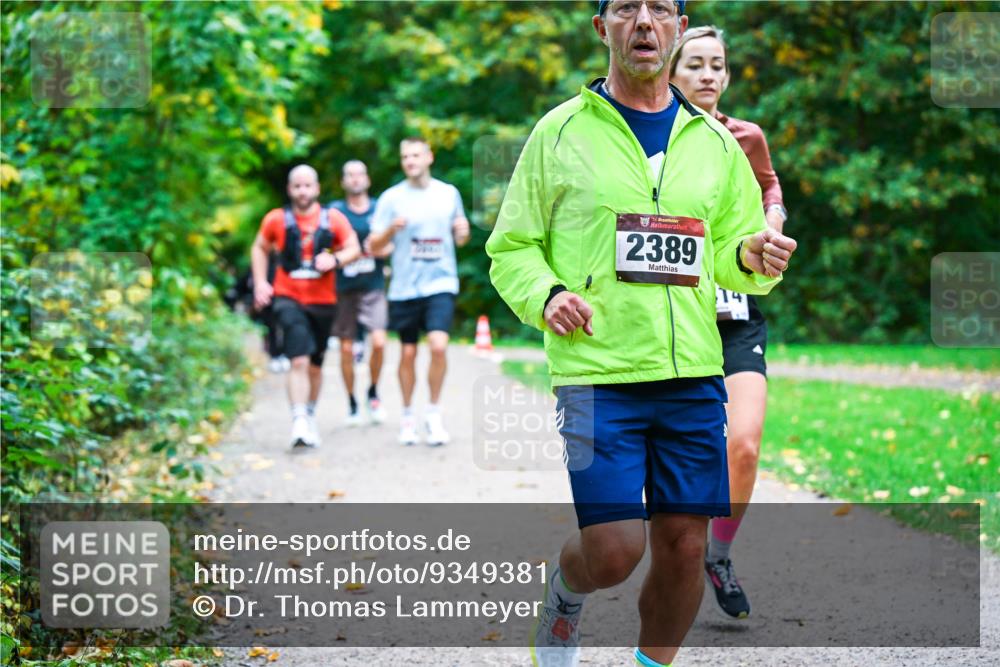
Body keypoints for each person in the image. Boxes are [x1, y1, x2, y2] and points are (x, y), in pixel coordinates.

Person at [486, 2, 798, 666]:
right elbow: (510, 247)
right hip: (598, 372)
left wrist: (751, 257)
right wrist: (548, 295)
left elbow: (730, 251)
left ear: (681, 28)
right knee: (614, 550)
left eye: (661, 9)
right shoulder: (560, 131)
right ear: (603, 28)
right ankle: (566, 595)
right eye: (627, 7)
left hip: (690, 373)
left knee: (686, 545)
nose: (646, 22)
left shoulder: (714, 144)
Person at [670, 24, 788, 622]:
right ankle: (677, 554)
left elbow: (770, 185)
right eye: (695, 65)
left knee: (742, 444)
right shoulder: (649, 139)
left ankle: (718, 554)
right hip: (673, 321)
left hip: (736, 317)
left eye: (718, 65)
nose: (709, 75)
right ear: (670, 71)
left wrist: (773, 217)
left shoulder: (746, 136)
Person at [368, 137, 470, 446]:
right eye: (405, 156)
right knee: (408, 352)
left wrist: (462, 232)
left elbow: (460, 235)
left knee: (438, 346)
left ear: (429, 157)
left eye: (415, 155)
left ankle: (434, 414)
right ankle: (408, 416)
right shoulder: (391, 198)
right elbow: (373, 246)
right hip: (404, 287)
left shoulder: (448, 193)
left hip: (440, 282)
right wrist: (390, 230)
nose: (410, 161)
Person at [251, 164, 361, 449]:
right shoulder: (276, 220)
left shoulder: (333, 219)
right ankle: (299, 421)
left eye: (307, 186)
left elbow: (354, 247)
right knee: (298, 359)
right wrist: (262, 282)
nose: (302, 191)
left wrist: (335, 260)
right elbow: (259, 248)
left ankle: (309, 414)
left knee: (314, 365)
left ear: (317, 188)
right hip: (288, 297)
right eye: (297, 186)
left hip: (323, 301)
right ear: (290, 189)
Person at [330, 160, 390, 426]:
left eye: (359, 174)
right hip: (344, 290)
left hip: (373, 287)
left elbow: (393, 246)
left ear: (367, 179)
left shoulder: (380, 209)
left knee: (379, 342)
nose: (355, 179)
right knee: (345, 350)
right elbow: (324, 247)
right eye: (349, 175)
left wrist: (378, 249)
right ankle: (352, 403)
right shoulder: (334, 212)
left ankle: (373, 393)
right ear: (343, 181)